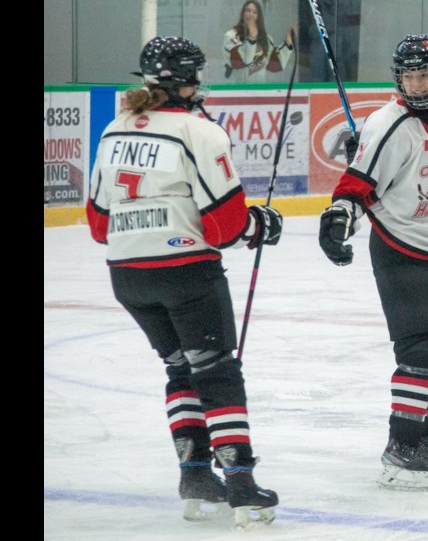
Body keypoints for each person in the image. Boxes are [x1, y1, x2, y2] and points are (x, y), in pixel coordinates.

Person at [85, 36, 283, 527]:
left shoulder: (114, 129)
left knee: (180, 369)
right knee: (216, 370)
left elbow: (97, 224)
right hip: (185, 272)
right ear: (186, 81)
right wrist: (263, 225)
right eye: (196, 75)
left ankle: (195, 472)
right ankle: (240, 482)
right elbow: (226, 226)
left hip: (128, 276)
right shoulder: (199, 132)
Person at [317, 33, 428, 491]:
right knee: (420, 347)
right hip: (399, 246)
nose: (418, 83)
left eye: (426, 74)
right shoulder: (387, 124)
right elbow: (358, 184)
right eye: (409, 74)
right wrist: (339, 217)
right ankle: (402, 443)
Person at [223, 0, 294, 83]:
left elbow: (275, 65)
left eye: (254, 12)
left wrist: (288, 44)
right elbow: (242, 61)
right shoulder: (231, 35)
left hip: (260, 91)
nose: (250, 14)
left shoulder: (266, 38)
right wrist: (251, 39)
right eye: (248, 10)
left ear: (258, 17)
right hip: (238, 91)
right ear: (243, 14)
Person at [316, 0, 361, 82]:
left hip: (342, 38)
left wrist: (350, 43)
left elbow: (353, 22)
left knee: (338, 71)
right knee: (319, 70)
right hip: (326, 38)